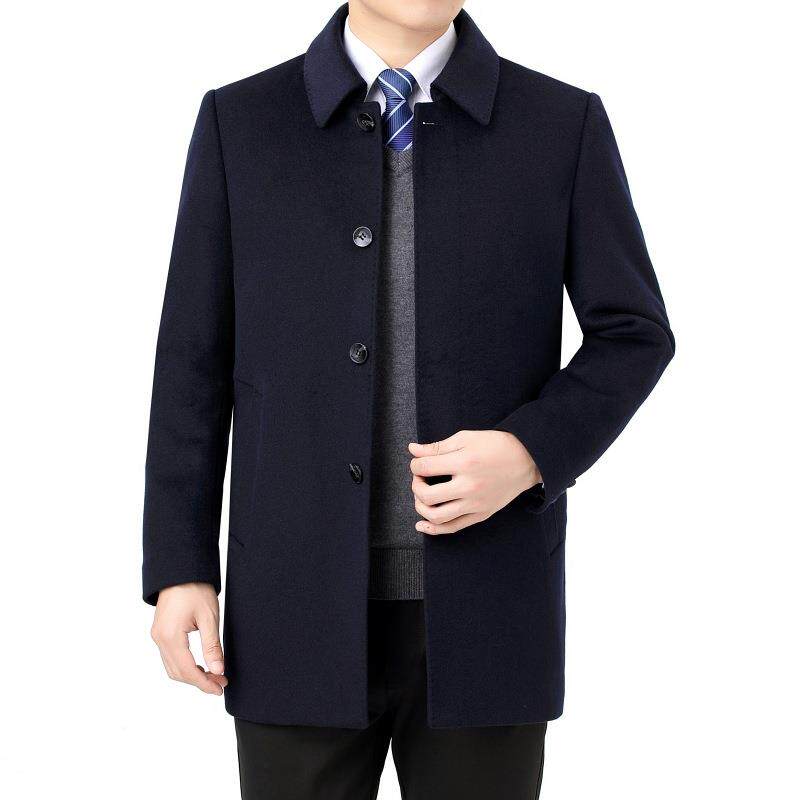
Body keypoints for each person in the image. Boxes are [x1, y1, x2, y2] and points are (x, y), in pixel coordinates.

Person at [143, 2, 674, 797]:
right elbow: (193, 361)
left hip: (490, 611)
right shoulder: (242, 123)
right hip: (293, 607)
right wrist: (180, 566)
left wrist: (531, 451)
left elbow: (634, 333)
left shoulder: (560, 124)